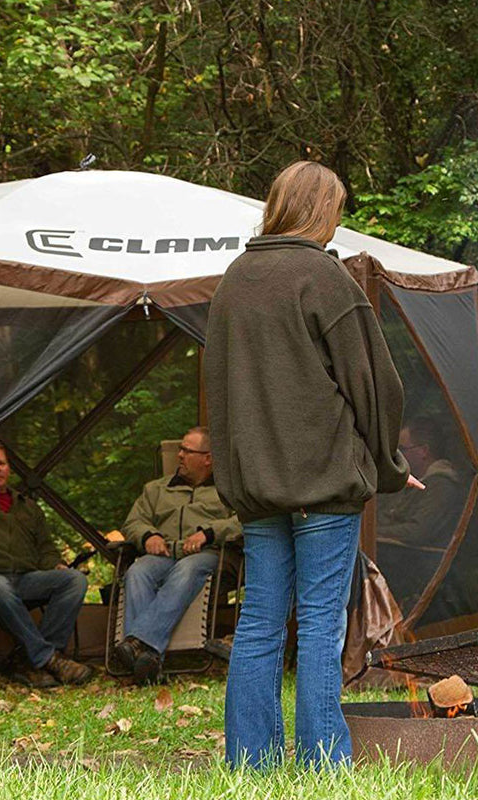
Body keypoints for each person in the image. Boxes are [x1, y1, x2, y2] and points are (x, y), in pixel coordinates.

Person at [203, 161, 423, 770]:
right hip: (323, 484)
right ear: (323, 210)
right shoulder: (322, 278)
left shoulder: (234, 279)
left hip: (257, 487)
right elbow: (376, 387)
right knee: (322, 625)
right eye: (338, 208)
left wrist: (236, 476)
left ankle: (252, 765)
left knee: (261, 622)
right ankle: (323, 764)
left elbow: (217, 392)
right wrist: (386, 464)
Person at [0, 440, 91, 687]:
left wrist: (56, 564)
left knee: (74, 580)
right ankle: (49, 659)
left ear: (9, 469)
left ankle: (30, 662)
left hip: (25, 578)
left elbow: (45, 548)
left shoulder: (27, 506)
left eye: (1, 463)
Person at [114, 426, 242, 684]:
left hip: (208, 555)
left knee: (188, 568)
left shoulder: (228, 491)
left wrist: (208, 533)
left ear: (208, 458)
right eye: (180, 449)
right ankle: (147, 661)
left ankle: (137, 642)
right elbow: (133, 522)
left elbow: (244, 521)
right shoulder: (156, 490)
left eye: (187, 450)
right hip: (163, 554)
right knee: (138, 571)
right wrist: (149, 535)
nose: (180, 455)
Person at [377, 416, 466, 615]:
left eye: (403, 449)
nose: (399, 455)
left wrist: (373, 533)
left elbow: (418, 531)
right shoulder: (414, 484)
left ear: (424, 451)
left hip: (420, 577)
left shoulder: (442, 486)